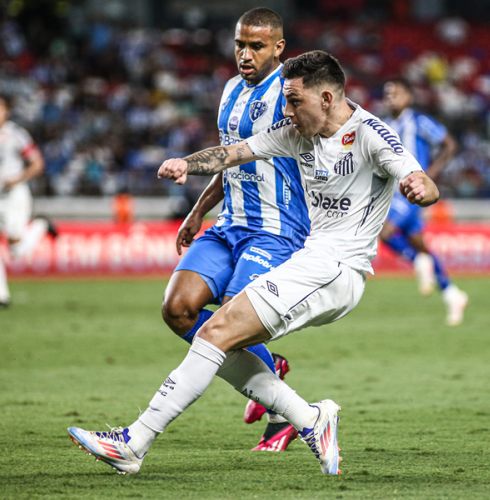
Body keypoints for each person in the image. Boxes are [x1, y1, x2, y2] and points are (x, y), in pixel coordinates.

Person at [67, 50, 439, 476]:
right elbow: (233, 154)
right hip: (314, 263)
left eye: (294, 101)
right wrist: (186, 164)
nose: (286, 110)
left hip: (337, 270)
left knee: (216, 330)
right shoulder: (297, 132)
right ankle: (310, 418)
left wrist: (416, 187)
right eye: (284, 99)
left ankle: (135, 441)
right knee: (219, 337)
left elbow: (423, 182)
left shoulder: (371, 133)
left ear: (326, 97)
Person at [161, 8, 307, 451]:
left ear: (279, 48)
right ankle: (270, 369)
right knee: (177, 309)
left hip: (275, 229)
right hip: (229, 225)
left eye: (257, 46)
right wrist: (198, 211)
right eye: (240, 44)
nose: (245, 53)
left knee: (232, 320)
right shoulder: (229, 90)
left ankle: (286, 413)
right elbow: (230, 159)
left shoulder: (290, 94)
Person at [379, 79, 468, 326]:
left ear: (409, 96)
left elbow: (449, 144)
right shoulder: (382, 125)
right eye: (387, 93)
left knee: (385, 231)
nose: (391, 97)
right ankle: (453, 295)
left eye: (396, 92)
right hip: (392, 192)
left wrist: (431, 174)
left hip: (411, 191)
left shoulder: (419, 122)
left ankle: (418, 262)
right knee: (422, 246)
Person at [0, 94, 54, 309]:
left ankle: (41, 225)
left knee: (16, 250)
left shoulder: (16, 135)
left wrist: (16, 179)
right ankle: (1, 296)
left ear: (6, 112)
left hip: (14, 196)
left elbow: (37, 163)